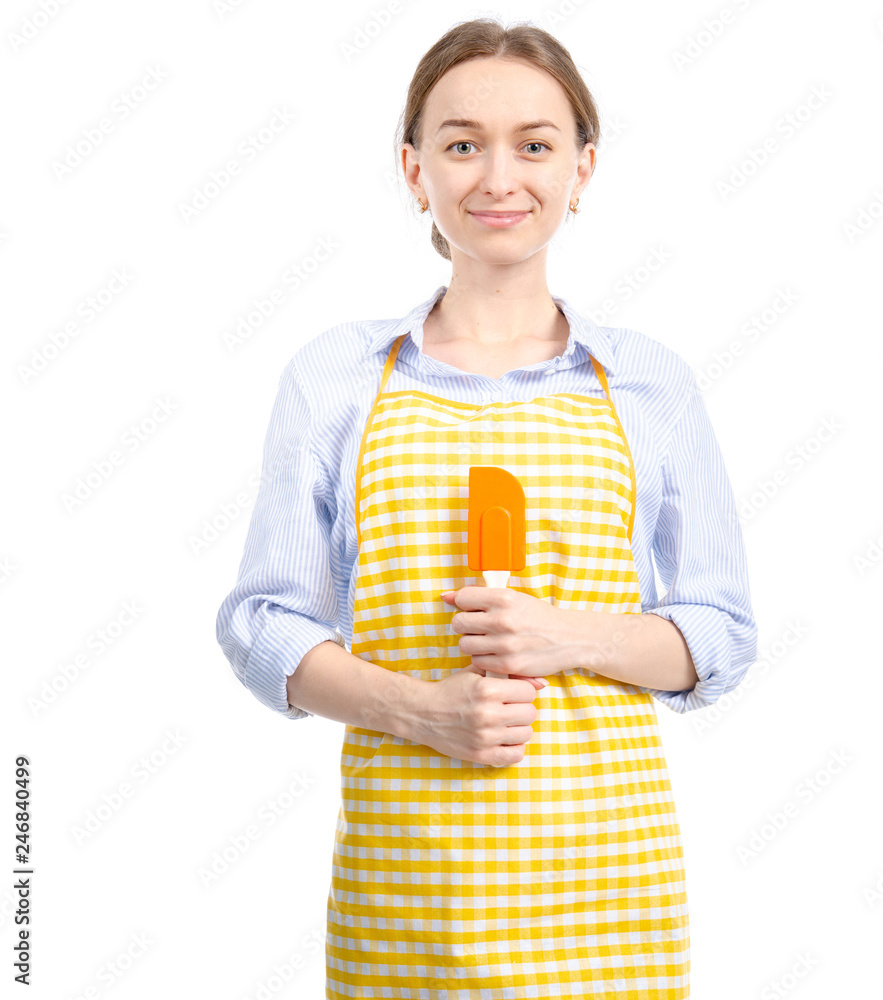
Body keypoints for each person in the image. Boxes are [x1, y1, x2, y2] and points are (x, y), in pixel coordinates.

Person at [215, 16, 757, 999]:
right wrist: (418, 710)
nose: (499, 177)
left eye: (534, 145)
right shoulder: (336, 377)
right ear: (414, 169)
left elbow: (718, 634)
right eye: (462, 144)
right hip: (407, 892)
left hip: (606, 890)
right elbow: (262, 624)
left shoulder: (649, 383)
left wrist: (564, 634)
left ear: (583, 169)